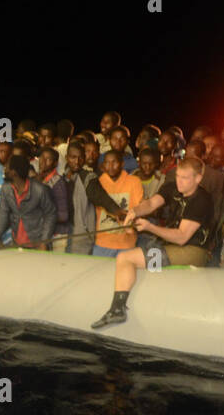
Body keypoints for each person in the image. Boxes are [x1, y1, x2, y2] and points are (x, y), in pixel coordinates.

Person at [91, 157, 214, 329]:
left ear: (198, 178)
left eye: (185, 178)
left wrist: (149, 227)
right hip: (172, 246)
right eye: (178, 176)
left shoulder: (202, 200)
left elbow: (181, 237)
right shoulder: (174, 188)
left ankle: (117, 310)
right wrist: (134, 212)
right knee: (145, 257)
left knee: (126, 258)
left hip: (192, 251)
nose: (179, 181)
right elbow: (150, 204)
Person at [0, 154, 56, 249]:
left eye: (7, 168)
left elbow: (50, 214)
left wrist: (44, 241)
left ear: (13, 173)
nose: (5, 170)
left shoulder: (39, 189)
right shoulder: (6, 189)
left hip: (37, 243)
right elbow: (2, 215)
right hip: (17, 243)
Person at [86, 149, 144, 257]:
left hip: (127, 243)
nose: (111, 166)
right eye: (107, 163)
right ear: (102, 166)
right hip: (102, 242)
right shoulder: (98, 182)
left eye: (114, 162)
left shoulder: (134, 181)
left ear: (122, 164)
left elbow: (138, 208)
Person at [63, 141, 97, 255]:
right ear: (66, 157)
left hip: (82, 235)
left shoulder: (90, 178)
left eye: (80, 158)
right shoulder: (62, 178)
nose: (76, 161)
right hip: (64, 235)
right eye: (73, 157)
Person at [38, 147, 70, 242]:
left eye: (48, 159)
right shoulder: (41, 180)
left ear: (55, 163)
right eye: (41, 158)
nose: (43, 162)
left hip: (58, 235)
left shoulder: (58, 183)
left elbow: (64, 215)